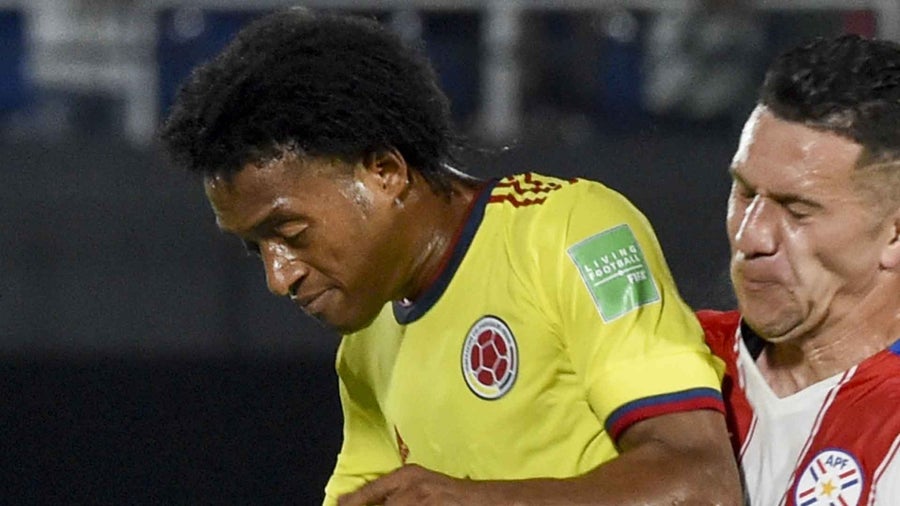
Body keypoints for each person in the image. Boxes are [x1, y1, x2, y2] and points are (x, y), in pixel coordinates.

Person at [160, 9, 741, 506]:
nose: (277, 276)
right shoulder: (367, 342)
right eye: (256, 248)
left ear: (384, 171)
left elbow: (701, 483)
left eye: (290, 233)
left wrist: (481, 500)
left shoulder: (573, 233)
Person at [699, 34, 900, 506]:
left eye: (797, 210)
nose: (751, 237)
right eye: (745, 193)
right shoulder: (673, 360)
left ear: (894, 235)